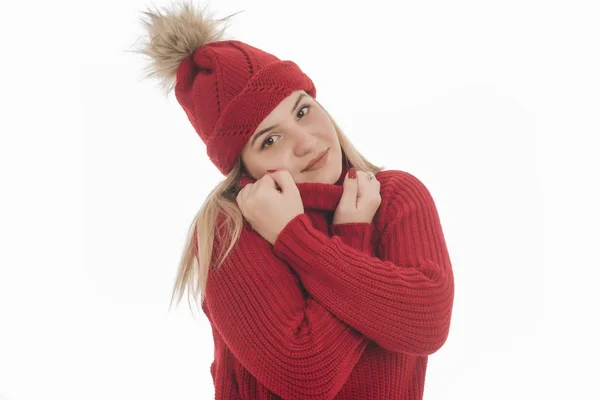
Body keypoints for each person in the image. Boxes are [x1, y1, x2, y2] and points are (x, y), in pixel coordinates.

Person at [133, 2, 454, 399]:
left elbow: (427, 323)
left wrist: (302, 240)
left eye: (302, 110)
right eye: (269, 139)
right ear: (243, 167)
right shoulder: (229, 231)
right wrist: (346, 236)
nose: (306, 142)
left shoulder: (394, 198)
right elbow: (307, 374)